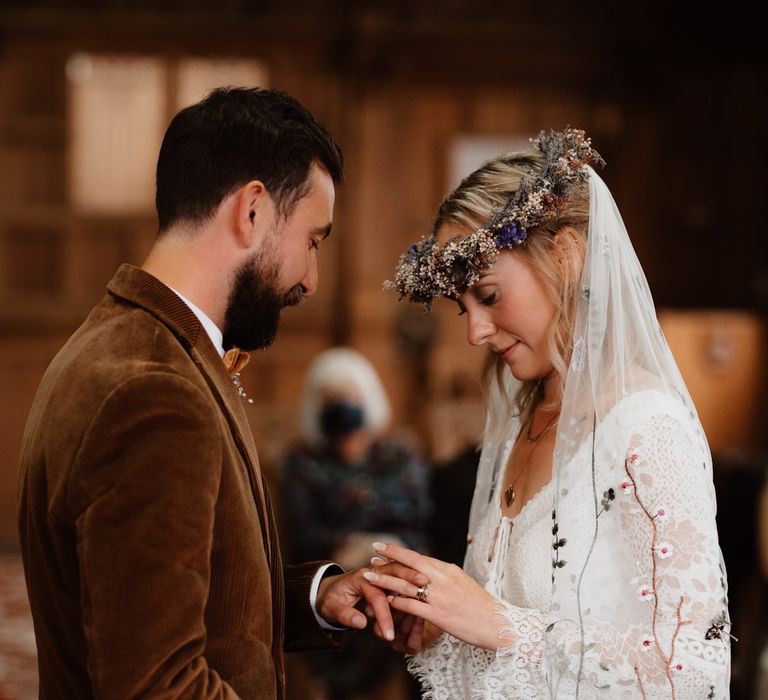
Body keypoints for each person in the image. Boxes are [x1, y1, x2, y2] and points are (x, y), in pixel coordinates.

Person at [16, 87, 424, 700]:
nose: (311, 281)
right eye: (313, 241)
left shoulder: (123, 342)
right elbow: (157, 684)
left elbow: (156, 601)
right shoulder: (152, 392)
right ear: (252, 210)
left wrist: (316, 595)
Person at [364, 129, 731, 697]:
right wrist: (445, 622)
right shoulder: (521, 421)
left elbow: (692, 673)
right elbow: (512, 641)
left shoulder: (648, 430)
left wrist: (499, 624)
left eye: (487, 296)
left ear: (565, 256)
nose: (474, 332)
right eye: (462, 308)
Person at [280, 347, 431, 699]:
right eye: (330, 397)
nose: (342, 404)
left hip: (396, 578)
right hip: (335, 579)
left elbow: (417, 517)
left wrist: (376, 547)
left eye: (350, 394)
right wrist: (350, 548)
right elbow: (302, 533)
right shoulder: (301, 463)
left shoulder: (401, 454)